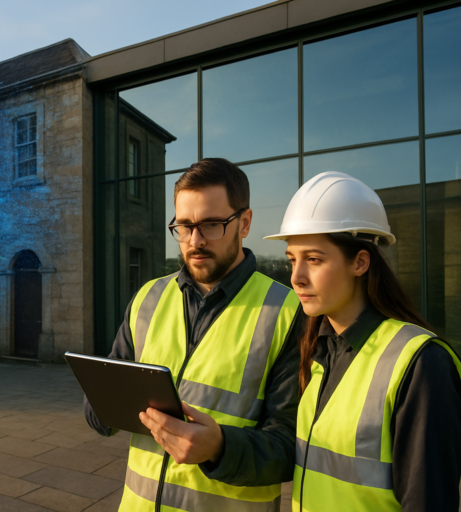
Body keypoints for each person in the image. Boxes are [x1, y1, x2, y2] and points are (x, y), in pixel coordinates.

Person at [84, 158, 305, 511]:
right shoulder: (148, 297)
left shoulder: (289, 312)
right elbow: (104, 403)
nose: (195, 241)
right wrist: (100, 403)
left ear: (244, 223)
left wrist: (220, 448)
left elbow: (291, 448)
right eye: (184, 226)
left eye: (212, 225)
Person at [264, 171, 461, 511]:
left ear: (360, 262)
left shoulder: (421, 364)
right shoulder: (318, 353)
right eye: (292, 260)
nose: (296, 277)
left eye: (313, 260)